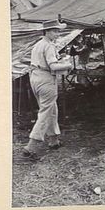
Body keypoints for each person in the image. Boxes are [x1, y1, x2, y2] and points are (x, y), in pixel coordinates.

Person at [22, 20, 72, 159]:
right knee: (45, 111)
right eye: (55, 31)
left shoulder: (38, 45)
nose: (57, 34)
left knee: (51, 108)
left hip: (35, 77)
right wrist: (67, 64)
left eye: (58, 31)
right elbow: (53, 67)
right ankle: (31, 145)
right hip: (46, 79)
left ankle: (54, 140)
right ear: (47, 31)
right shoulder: (48, 46)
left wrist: (58, 60)